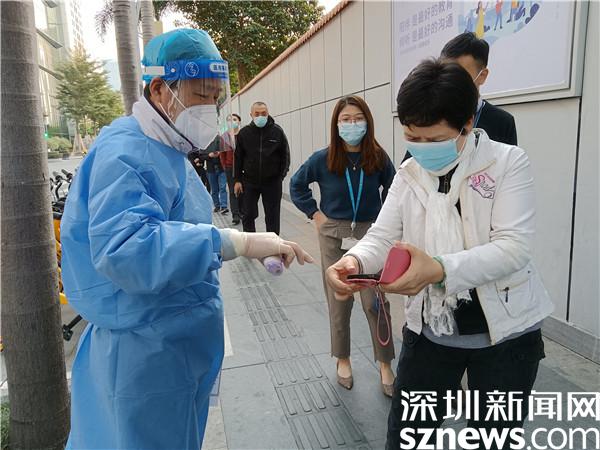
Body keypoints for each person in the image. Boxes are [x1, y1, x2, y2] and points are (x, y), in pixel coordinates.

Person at [60, 28, 313, 449]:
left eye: (216, 96)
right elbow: (128, 249)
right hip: (143, 353)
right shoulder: (124, 153)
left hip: (170, 344)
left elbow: (180, 228)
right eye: (200, 94)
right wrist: (237, 243)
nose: (210, 107)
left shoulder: (167, 150)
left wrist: (236, 245)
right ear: (159, 89)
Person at [325, 59, 553, 448]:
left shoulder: (507, 163)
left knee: (493, 439)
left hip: (506, 338)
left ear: (467, 124)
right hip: (431, 332)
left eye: (434, 140)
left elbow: (512, 248)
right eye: (412, 137)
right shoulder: (409, 173)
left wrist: (438, 269)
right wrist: (354, 261)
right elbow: (382, 235)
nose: (421, 149)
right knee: (407, 437)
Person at [290, 96, 397, 397]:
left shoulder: (378, 156)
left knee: (375, 301)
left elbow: (395, 188)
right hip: (334, 234)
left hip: (369, 234)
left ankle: (385, 362)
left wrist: (386, 221)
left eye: (357, 118)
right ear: (336, 124)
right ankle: (343, 358)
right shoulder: (323, 158)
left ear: (367, 122)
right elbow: (297, 185)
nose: (352, 124)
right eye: (345, 119)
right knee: (339, 299)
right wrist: (315, 214)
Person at [441, 32, 518, 145]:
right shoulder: (431, 114)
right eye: (445, 72)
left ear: (482, 76)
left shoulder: (502, 122)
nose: (451, 80)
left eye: (459, 74)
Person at [234, 101, 290, 235]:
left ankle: (273, 243)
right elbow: (238, 157)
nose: (260, 116)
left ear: (268, 113)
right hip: (249, 182)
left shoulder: (277, 131)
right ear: (251, 115)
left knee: (272, 216)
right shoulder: (244, 133)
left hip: (272, 183)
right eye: (257, 114)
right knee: (248, 215)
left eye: (263, 114)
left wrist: (280, 176)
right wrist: (237, 180)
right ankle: (250, 242)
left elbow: (285, 155)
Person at [220, 113, 242, 225]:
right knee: (232, 191)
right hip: (230, 167)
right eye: (229, 120)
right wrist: (225, 166)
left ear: (239, 121)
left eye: (234, 119)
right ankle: (235, 215)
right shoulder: (224, 137)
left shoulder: (243, 135)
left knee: (243, 190)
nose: (232, 122)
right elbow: (222, 154)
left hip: (243, 167)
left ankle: (242, 211)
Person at [206, 149, 229, 214]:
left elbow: (225, 151)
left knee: (222, 187)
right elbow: (201, 156)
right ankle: (217, 206)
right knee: (214, 189)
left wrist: (220, 153)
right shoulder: (206, 145)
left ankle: (224, 206)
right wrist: (209, 155)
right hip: (211, 170)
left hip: (221, 168)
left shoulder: (221, 143)